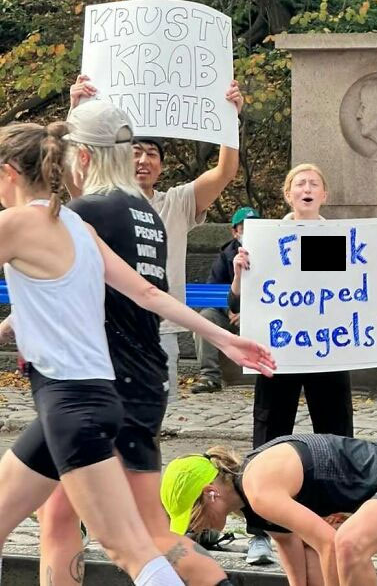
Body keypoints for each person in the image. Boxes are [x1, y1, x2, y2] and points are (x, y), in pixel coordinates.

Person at [0, 121, 274, 586]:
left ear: (9, 172)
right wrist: (225, 338)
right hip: (95, 399)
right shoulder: (78, 226)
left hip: (71, 405)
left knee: (128, 547)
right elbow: (148, 292)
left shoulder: (18, 223)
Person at [231, 162, 377, 567]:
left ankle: (338, 522)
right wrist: (241, 274)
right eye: (299, 183)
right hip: (280, 354)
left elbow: (359, 288)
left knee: (336, 437)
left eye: (314, 183)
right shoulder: (268, 242)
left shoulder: (340, 240)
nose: (307, 188)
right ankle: (261, 532)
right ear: (288, 194)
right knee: (269, 435)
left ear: (324, 195)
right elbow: (237, 303)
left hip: (328, 354)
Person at [69, 73, 244, 403]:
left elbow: (224, 173)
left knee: (152, 418)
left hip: (160, 329)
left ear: (162, 166)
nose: (142, 160)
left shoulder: (177, 203)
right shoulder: (100, 201)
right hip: (102, 326)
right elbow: (74, 176)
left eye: (152, 153)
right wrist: (77, 114)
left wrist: (228, 119)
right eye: (135, 151)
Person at [160, 434, 377, 586]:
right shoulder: (249, 498)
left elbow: (328, 543)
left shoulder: (259, 491)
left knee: (346, 544)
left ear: (210, 493)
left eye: (191, 519)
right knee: (312, 549)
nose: (194, 530)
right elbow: (292, 546)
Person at [191, 206, 260, 394]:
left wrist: (248, 313)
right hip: (229, 315)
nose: (249, 232)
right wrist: (228, 310)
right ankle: (210, 376)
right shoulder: (225, 256)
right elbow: (212, 289)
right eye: (244, 228)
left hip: (261, 315)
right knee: (205, 318)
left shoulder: (275, 253)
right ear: (235, 232)